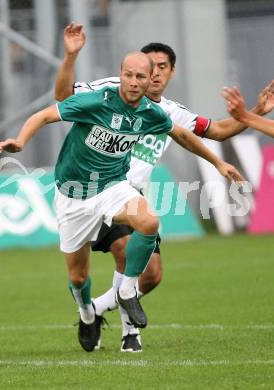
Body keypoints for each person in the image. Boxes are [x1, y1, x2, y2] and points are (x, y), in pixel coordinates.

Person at [0, 51, 244, 353]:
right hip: (73, 194)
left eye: (140, 77)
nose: (134, 81)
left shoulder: (150, 112)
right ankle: (88, 313)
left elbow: (180, 134)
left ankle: (127, 291)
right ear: (121, 73)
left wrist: (218, 165)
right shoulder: (96, 100)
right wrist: (20, 141)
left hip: (113, 186)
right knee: (78, 276)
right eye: (129, 75)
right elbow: (46, 115)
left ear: (148, 80)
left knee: (149, 222)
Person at [55, 23, 274, 352]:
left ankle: (99, 310)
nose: (155, 74)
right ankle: (122, 328)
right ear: (136, 71)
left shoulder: (171, 113)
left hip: (126, 196)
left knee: (152, 274)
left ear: (171, 72)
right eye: (150, 67)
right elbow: (63, 97)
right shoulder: (107, 90)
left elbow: (218, 131)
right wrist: (71, 57)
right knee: (99, 266)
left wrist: (253, 113)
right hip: (93, 188)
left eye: (162, 68)